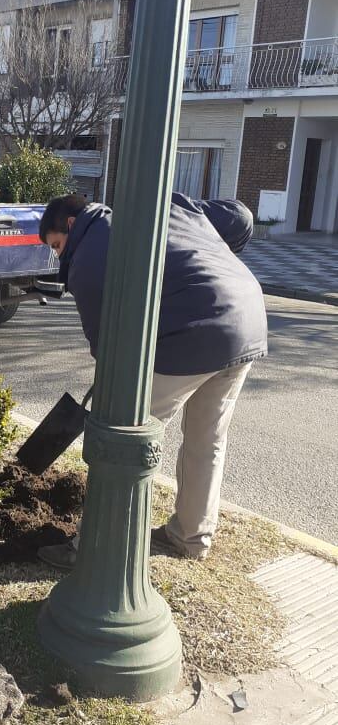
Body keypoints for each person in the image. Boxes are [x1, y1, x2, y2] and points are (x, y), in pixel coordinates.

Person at [37, 191, 267, 566]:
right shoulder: (155, 206)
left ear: (72, 225)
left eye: (57, 245)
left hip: (195, 335)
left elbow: (107, 349)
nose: (59, 255)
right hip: (247, 319)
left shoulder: (89, 254)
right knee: (207, 439)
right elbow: (237, 216)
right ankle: (191, 536)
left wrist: (111, 400)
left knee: (125, 437)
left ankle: (91, 545)